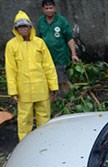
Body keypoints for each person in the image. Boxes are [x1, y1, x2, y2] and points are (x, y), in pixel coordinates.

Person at [5, 10, 59, 141]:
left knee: (44, 116)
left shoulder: (39, 43)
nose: (23, 29)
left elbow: (48, 65)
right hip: (24, 90)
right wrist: (13, 90)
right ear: (16, 29)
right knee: (24, 119)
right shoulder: (11, 45)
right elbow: (10, 69)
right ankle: (24, 142)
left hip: (41, 87)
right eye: (20, 27)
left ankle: (44, 140)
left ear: (30, 27)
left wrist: (53, 86)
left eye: (25, 26)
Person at [37, 0, 79, 93]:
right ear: (43, 9)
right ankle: (52, 102)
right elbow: (38, 39)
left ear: (54, 8)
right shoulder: (40, 21)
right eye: (46, 8)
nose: (49, 10)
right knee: (48, 81)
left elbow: (69, 38)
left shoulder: (61, 21)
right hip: (46, 58)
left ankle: (69, 100)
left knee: (63, 80)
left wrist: (73, 54)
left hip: (60, 56)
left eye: (51, 8)